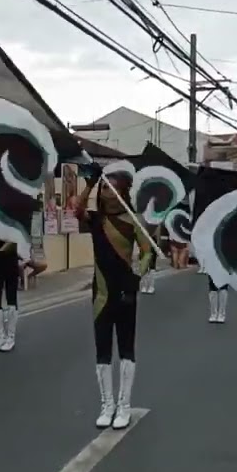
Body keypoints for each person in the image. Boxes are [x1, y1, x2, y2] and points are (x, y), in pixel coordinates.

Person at [73, 166, 154, 430]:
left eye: (112, 187)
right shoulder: (95, 220)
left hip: (125, 290)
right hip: (101, 292)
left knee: (126, 349)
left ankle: (124, 406)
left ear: (123, 191)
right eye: (104, 187)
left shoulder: (133, 220)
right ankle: (107, 405)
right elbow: (77, 211)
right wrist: (90, 183)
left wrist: (137, 275)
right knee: (103, 350)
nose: (107, 191)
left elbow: (146, 252)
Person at [0, 239, 21, 352]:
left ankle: (10, 337)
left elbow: (13, 241)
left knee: (11, 300)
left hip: (11, 263)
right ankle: (0, 336)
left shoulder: (13, 227)